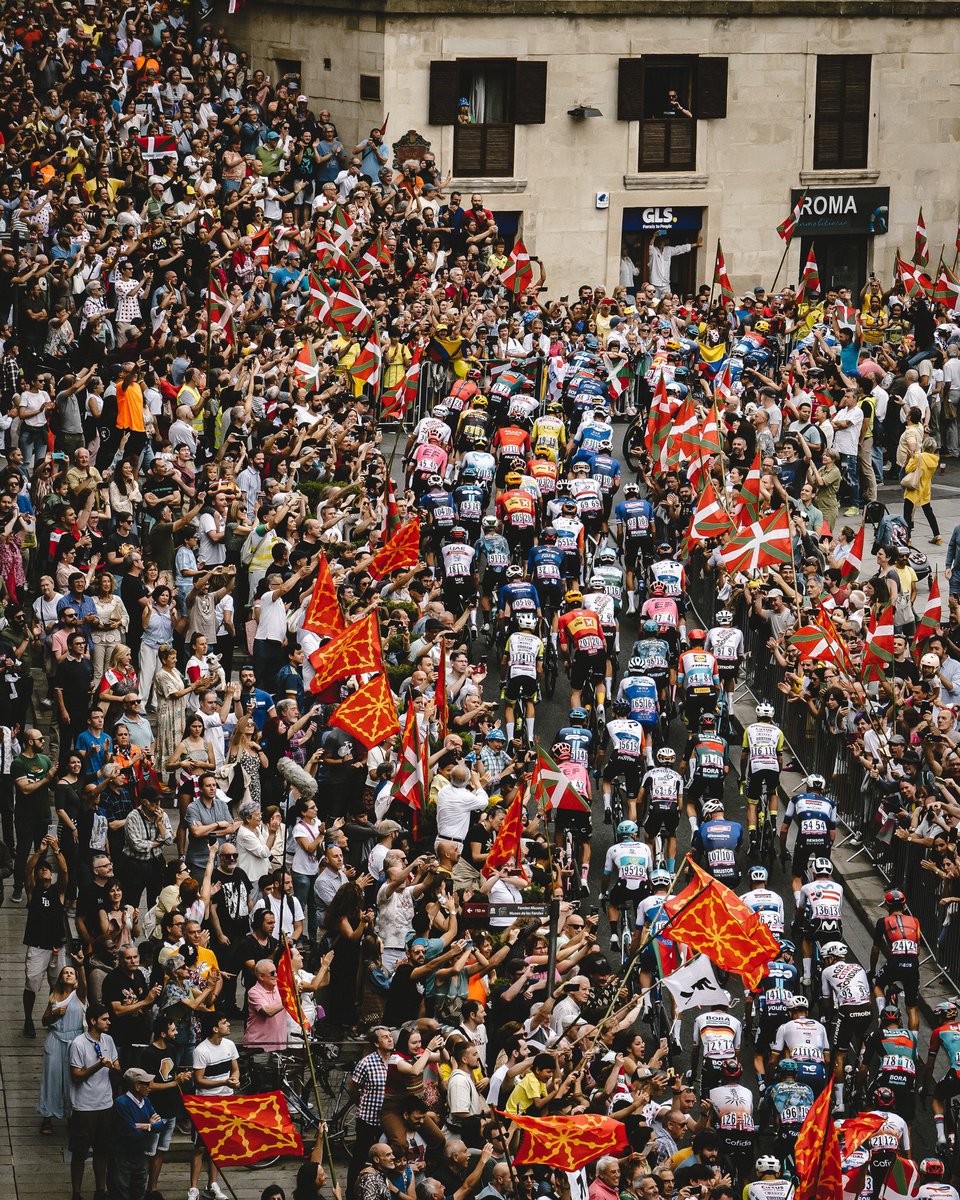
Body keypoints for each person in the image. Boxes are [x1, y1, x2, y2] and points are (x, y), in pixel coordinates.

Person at [68, 1003, 120, 1200]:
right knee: (79, 1152)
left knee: (102, 1150)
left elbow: (117, 1066)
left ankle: (100, 1190)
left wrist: (113, 1067)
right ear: (92, 1021)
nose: (108, 1022)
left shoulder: (109, 1040)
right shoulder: (78, 1044)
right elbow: (76, 1075)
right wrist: (99, 1065)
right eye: (104, 1019)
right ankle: (76, 1192)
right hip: (84, 1106)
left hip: (105, 1104)